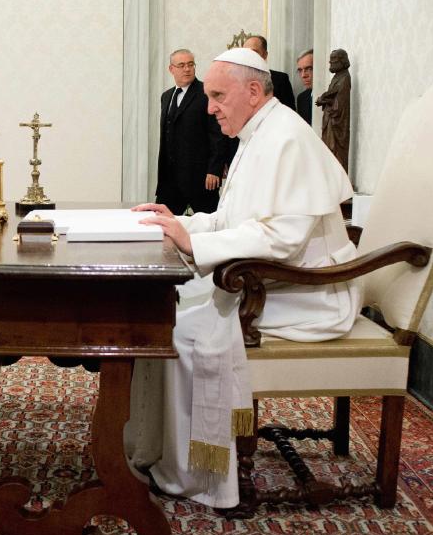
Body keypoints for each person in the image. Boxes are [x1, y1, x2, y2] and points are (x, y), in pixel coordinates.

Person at [125, 47, 359, 509]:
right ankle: (157, 450)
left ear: (253, 92)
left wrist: (195, 245)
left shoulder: (286, 138)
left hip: (313, 293)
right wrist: (179, 224)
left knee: (179, 330)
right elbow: (232, 220)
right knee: (160, 309)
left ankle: (200, 472)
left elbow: (284, 239)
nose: (209, 107)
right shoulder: (259, 134)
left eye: (217, 95)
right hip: (273, 282)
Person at [154, 49, 231, 216]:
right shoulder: (166, 96)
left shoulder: (206, 93)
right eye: (181, 65)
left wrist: (214, 169)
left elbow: (217, 134)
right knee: (162, 226)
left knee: (211, 228)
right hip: (169, 180)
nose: (187, 69)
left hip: (201, 178)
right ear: (171, 69)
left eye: (190, 64)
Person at [243, 35, 295, 111]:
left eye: (254, 52)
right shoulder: (237, 79)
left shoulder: (281, 80)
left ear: (265, 55)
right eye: (246, 52)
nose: (250, 55)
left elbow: (289, 112)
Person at [295, 49, 314, 125]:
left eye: (309, 69)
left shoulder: (330, 96)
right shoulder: (302, 98)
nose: (303, 75)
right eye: (300, 70)